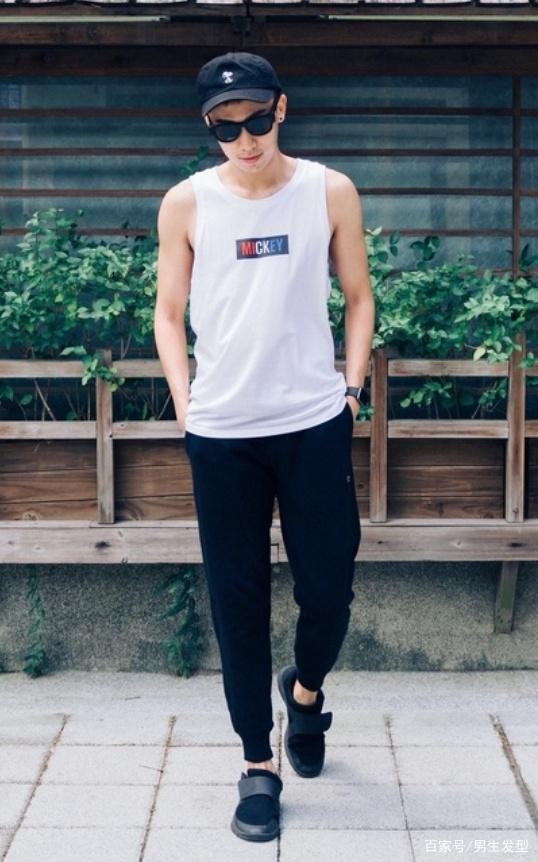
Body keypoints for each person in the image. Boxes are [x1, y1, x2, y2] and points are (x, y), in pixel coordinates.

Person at [153, 51, 375, 842]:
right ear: (208, 126)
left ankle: (305, 695)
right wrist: (188, 407)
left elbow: (359, 297)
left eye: (254, 119)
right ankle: (256, 761)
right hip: (223, 436)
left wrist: (350, 393)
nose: (244, 139)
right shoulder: (187, 203)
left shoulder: (329, 190)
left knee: (330, 589)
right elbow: (168, 313)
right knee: (237, 601)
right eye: (225, 127)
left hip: (313, 423)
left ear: (280, 108)